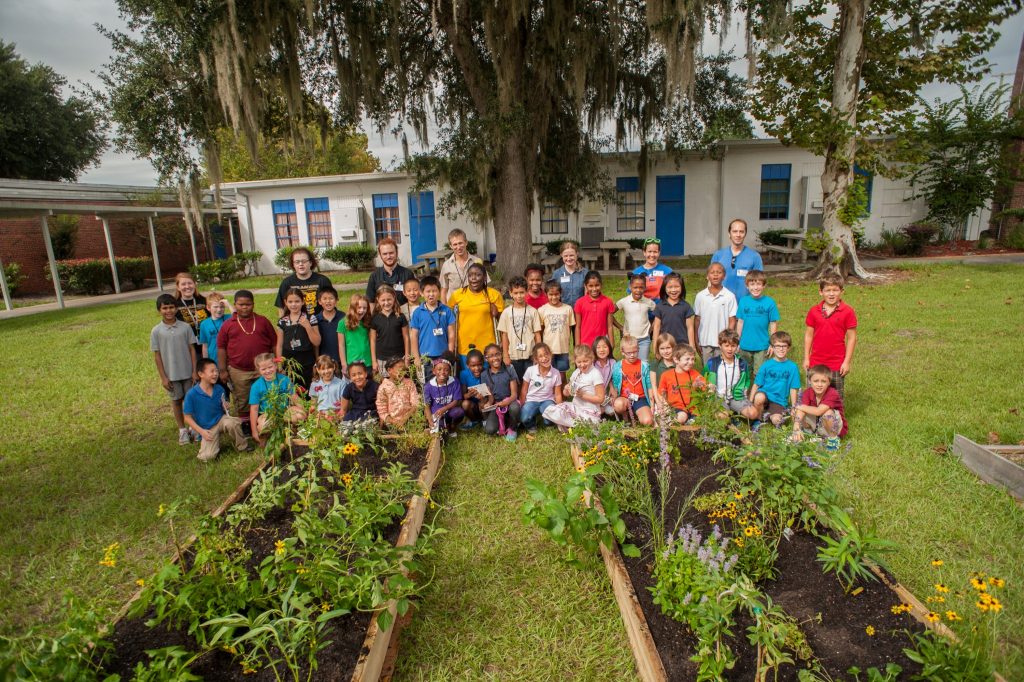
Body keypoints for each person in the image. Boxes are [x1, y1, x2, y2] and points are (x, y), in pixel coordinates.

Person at [216, 290, 277, 419]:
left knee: (267, 394)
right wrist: (222, 370)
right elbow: (221, 348)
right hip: (239, 370)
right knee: (243, 398)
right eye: (240, 304)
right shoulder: (228, 325)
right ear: (235, 304)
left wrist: (278, 361)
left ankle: (265, 421)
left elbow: (274, 343)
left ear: (253, 304)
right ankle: (246, 424)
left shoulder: (262, 321)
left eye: (248, 304)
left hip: (264, 369)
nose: (244, 307)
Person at [152, 293, 199, 445]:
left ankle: (194, 428)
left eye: (171, 307)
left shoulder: (185, 327)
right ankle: (182, 430)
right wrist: (163, 377)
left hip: (188, 373)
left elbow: (192, 349)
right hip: (171, 375)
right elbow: (157, 355)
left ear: (176, 308)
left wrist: (194, 371)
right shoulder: (156, 331)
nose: (169, 311)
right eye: (165, 308)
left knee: (190, 400)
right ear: (159, 310)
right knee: (176, 401)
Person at [804, 272, 857, 400]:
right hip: (816, 362)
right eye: (828, 290)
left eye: (835, 290)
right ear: (821, 292)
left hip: (837, 364)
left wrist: (847, 362)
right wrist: (806, 358)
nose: (831, 294)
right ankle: (812, 419)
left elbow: (852, 338)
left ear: (842, 291)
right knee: (812, 397)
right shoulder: (814, 311)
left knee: (835, 399)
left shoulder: (848, 312)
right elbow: (809, 336)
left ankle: (834, 419)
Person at [183, 358, 248, 461]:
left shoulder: (219, 389)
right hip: (207, 428)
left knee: (232, 423)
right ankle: (211, 445)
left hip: (220, 419)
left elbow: (223, 406)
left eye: (217, 371)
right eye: (212, 371)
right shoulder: (192, 394)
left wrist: (225, 406)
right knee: (207, 457)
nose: (216, 374)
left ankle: (243, 446)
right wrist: (201, 431)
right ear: (201, 374)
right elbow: (187, 417)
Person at [448, 262, 504, 366]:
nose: (474, 278)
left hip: (487, 346)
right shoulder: (457, 295)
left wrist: (502, 341)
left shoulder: (494, 295)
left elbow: (502, 321)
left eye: (478, 275)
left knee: (487, 377)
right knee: (468, 378)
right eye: (470, 275)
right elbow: (448, 319)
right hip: (464, 346)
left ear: (485, 277)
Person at [544, 344, 605, 431]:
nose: (582, 365)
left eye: (585, 361)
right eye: (579, 362)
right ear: (575, 361)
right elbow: (567, 393)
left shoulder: (595, 374)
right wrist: (566, 388)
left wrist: (583, 395)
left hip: (590, 411)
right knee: (553, 409)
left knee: (589, 422)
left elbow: (600, 399)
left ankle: (576, 426)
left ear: (591, 359)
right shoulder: (576, 372)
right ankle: (575, 425)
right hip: (576, 407)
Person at [702, 329, 759, 421]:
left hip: (735, 397)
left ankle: (738, 414)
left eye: (733, 346)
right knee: (723, 417)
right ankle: (728, 416)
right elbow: (703, 378)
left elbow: (747, 380)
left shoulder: (742, 363)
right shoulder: (712, 363)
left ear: (737, 346)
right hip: (718, 397)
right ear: (720, 346)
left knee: (753, 413)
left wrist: (744, 390)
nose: (730, 349)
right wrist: (708, 390)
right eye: (726, 346)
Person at [409, 275, 456, 384]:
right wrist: (416, 357)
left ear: (439, 292)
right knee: (428, 384)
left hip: (443, 355)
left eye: (434, 291)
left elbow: (451, 334)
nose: (431, 294)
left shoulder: (447, 310)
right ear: (421, 293)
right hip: (425, 357)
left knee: (444, 382)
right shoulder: (418, 312)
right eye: (428, 291)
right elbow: (414, 335)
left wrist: (449, 353)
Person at [248, 353, 302, 448]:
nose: (268, 371)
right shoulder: (256, 386)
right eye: (263, 369)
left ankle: (294, 433)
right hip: (268, 414)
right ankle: (269, 438)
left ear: (276, 365)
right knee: (264, 424)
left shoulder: (284, 380)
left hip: (285, 411)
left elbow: (295, 398)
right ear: (259, 370)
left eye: (270, 367)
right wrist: (254, 431)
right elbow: (254, 409)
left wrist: (305, 411)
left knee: (298, 415)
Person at [751, 331, 802, 428]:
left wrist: (794, 407)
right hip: (765, 397)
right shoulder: (766, 365)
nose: (781, 349)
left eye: (784, 346)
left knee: (777, 421)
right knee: (759, 398)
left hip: (779, 402)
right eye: (778, 346)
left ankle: (769, 416)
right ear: (772, 347)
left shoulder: (792, 367)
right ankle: (757, 420)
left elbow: (793, 388)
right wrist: (750, 402)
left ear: (789, 347)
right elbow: (756, 384)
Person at [736, 270, 779, 378]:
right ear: (747, 286)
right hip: (744, 345)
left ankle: (757, 394)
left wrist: (772, 343)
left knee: (759, 374)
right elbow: (740, 322)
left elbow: (773, 323)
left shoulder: (770, 302)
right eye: (752, 284)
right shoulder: (743, 301)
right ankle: (744, 394)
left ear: (764, 285)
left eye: (759, 284)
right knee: (743, 374)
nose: (755, 287)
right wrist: (737, 341)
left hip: (762, 346)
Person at [498, 276, 543, 380]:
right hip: (513, 354)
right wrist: (505, 355)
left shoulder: (533, 311)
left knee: (531, 380)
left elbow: (537, 334)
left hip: (530, 354)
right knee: (516, 380)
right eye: (516, 293)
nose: (519, 296)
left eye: (522, 292)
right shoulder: (506, 313)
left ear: (527, 292)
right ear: (510, 293)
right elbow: (504, 335)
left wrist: (538, 353)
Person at [276, 288, 321, 388]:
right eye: (290, 302)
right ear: (285, 302)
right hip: (289, 363)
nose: (293, 304)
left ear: (303, 301)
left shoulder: (310, 318)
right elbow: (279, 345)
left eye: (297, 301)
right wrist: (279, 364)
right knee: (291, 391)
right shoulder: (282, 321)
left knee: (308, 390)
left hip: (307, 361)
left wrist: (308, 326)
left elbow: (317, 342)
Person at [693, 262, 737, 363]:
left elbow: (732, 320)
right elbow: (697, 319)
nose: (716, 274)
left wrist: (727, 339)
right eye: (712, 272)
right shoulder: (700, 296)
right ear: (707, 276)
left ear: (724, 276)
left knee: (721, 369)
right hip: (705, 341)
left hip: (722, 343)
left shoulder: (729, 296)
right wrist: (696, 340)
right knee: (708, 372)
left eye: (719, 272)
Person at [710, 218, 765, 300]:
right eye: (735, 231)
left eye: (741, 231)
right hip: (722, 304)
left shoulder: (754, 256)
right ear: (729, 234)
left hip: (745, 306)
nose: (738, 235)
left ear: (745, 234)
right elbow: (711, 281)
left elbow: (759, 283)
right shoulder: (718, 255)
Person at [792, 364, 848, 442]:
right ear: (810, 381)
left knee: (828, 414)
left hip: (833, 428)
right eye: (816, 381)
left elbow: (819, 411)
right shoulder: (807, 392)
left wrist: (799, 406)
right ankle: (805, 434)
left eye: (823, 381)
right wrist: (796, 424)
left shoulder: (832, 393)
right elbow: (800, 410)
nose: (819, 385)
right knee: (798, 412)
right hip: (817, 425)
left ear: (829, 382)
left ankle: (833, 440)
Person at [274, 247, 333, 317]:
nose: (300, 264)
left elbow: (331, 304)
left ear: (310, 263)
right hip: (296, 323)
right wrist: (283, 325)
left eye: (304, 261)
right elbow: (281, 308)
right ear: (293, 264)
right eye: (297, 262)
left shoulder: (323, 281)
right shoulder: (286, 283)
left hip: (320, 323)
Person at [519, 343, 563, 433]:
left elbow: (558, 394)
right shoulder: (530, 370)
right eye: (540, 356)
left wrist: (560, 410)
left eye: (546, 354)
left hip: (547, 400)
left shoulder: (556, 373)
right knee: (524, 418)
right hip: (531, 400)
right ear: (536, 359)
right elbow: (524, 390)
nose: (544, 358)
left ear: (550, 354)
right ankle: (531, 423)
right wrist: (522, 406)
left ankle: (548, 422)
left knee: (549, 420)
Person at [480, 343, 521, 441]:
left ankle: (513, 428)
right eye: (491, 356)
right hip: (497, 405)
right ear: (486, 359)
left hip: (510, 401)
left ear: (501, 354)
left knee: (514, 408)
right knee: (490, 429)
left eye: (497, 354)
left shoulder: (509, 369)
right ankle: (504, 421)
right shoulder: (484, 374)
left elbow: (514, 394)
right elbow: (490, 396)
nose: (495, 358)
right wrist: (489, 403)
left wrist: (506, 402)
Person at [611, 335, 654, 426]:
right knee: (618, 404)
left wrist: (652, 404)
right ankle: (626, 416)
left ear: (638, 349)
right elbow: (615, 385)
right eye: (628, 353)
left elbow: (649, 385)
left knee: (647, 421)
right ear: (622, 352)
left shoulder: (644, 365)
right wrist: (614, 397)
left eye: (635, 352)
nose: (632, 355)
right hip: (624, 398)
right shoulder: (618, 366)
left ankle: (637, 414)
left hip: (640, 398)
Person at [538, 279, 575, 383]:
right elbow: (540, 330)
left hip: (563, 348)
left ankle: (563, 394)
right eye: (551, 294)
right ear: (546, 294)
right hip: (548, 349)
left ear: (560, 293)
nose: (554, 297)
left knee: (562, 373)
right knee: (547, 372)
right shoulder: (542, 310)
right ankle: (550, 394)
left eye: (556, 294)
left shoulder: (568, 309)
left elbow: (571, 329)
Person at [657, 345, 703, 424]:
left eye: (693, 359)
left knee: (697, 421)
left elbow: (706, 387)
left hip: (694, 410)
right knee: (682, 416)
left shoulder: (695, 374)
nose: (691, 362)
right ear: (676, 359)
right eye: (687, 359)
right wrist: (665, 406)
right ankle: (666, 425)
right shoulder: (666, 375)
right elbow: (661, 393)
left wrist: (707, 387)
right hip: (677, 408)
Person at [369, 285, 409, 376]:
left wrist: (406, 357)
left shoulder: (400, 317)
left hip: (399, 356)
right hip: (382, 358)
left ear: (394, 298)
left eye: (389, 299)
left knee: (401, 381)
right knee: (387, 384)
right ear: (378, 300)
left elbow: (406, 337)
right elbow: (372, 340)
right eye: (383, 300)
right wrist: (374, 361)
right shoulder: (375, 318)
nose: (386, 303)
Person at [651, 272, 696, 353]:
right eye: (670, 287)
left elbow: (690, 327)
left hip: (682, 345)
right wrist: (655, 346)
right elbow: (656, 327)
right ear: (664, 288)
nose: (673, 290)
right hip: (665, 345)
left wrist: (692, 345)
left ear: (682, 287)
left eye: (677, 286)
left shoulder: (686, 306)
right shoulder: (660, 306)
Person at [439, 228, 488, 302]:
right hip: (453, 306)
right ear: (451, 246)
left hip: (473, 304)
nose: (458, 247)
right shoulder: (446, 265)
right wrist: (444, 309)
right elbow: (444, 290)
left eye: (460, 243)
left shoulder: (477, 262)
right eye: (455, 244)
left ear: (466, 242)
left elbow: (486, 285)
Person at [365, 237, 415, 309]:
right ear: (380, 255)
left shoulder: (408, 274)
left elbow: (414, 299)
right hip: (382, 315)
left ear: (396, 253)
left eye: (391, 253)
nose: (388, 257)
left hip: (404, 314)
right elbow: (371, 301)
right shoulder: (374, 276)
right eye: (385, 254)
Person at [617, 273, 657, 359]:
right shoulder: (623, 301)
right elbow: (609, 312)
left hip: (644, 339)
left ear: (645, 288)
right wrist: (620, 327)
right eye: (635, 287)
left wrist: (652, 327)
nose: (638, 290)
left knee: (643, 363)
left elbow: (659, 314)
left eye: (641, 287)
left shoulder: (648, 302)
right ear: (630, 287)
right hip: (629, 339)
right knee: (630, 362)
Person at [574, 271, 616, 348]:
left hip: (602, 345)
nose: (594, 289)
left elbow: (610, 326)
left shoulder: (608, 302)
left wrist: (612, 344)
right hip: (585, 345)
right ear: (585, 286)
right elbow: (578, 327)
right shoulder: (579, 302)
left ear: (601, 285)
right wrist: (577, 346)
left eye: (597, 285)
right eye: (591, 286)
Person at [423, 355, 464, 433]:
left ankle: (452, 426)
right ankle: (441, 427)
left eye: (446, 370)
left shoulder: (454, 381)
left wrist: (444, 408)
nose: (442, 372)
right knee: (439, 431)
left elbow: (456, 401)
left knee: (459, 412)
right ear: (434, 371)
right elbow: (427, 406)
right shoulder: (428, 386)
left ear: (450, 372)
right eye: (439, 369)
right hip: (436, 412)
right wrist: (430, 419)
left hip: (450, 409)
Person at [376, 356, 420, 428]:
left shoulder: (409, 383)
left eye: (403, 368)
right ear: (389, 370)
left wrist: (404, 419)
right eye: (399, 368)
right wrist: (395, 422)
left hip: (409, 420)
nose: (402, 371)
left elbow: (415, 404)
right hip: (391, 424)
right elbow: (382, 411)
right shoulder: (383, 387)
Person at [630, 238, 673, 303]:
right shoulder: (636, 272)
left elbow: (674, 291)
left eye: (655, 252)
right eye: (649, 251)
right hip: (642, 310)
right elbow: (631, 294)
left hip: (662, 310)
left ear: (659, 253)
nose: (652, 255)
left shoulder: (667, 271)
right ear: (644, 252)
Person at [173, 272, 207, 354]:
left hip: (207, 343)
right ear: (178, 287)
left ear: (194, 284)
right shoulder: (174, 305)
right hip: (187, 346)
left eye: (190, 283)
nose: (187, 286)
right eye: (183, 284)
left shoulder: (204, 300)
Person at [551, 241, 589, 309]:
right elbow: (551, 293)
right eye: (565, 256)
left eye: (571, 255)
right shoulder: (557, 274)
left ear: (577, 254)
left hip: (580, 312)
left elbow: (588, 295)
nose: (568, 258)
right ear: (561, 255)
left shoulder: (585, 273)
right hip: (562, 311)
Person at [341, 294, 373, 372]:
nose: (362, 310)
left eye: (365, 308)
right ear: (352, 307)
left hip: (367, 362)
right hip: (352, 362)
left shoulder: (368, 321)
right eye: (359, 307)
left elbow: (372, 342)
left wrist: (374, 361)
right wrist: (344, 364)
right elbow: (341, 345)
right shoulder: (343, 322)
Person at [315, 286, 345, 367]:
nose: (328, 301)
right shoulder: (316, 320)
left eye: (331, 298)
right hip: (324, 362)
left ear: (336, 300)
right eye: (324, 299)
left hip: (341, 360)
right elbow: (315, 344)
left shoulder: (344, 317)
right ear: (319, 301)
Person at [198, 291, 231, 361]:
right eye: (215, 307)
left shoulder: (230, 318)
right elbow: (205, 346)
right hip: (214, 359)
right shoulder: (204, 324)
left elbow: (239, 318)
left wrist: (229, 305)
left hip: (230, 359)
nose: (219, 310)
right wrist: (206, 362)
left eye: (222, 307)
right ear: (208, 308)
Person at [592, 335, 617, 417]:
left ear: (609, 348)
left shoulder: (613, 362)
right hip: (592, 393)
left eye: (605, 347)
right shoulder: (592, 363)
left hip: (604, 394)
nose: (602, 350)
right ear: (594, 350)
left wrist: (612, 387)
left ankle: (603, 406)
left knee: (614, 410)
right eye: (598, 347)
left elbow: (613, 377)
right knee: (597, 412)